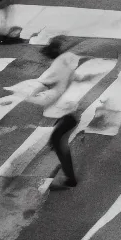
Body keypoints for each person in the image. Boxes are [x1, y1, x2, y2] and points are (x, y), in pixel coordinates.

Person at [24, 36, 83, 189]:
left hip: (65, 114)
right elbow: (76, 76)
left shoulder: (54, 69)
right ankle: (68, 174)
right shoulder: (64, 63)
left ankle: (70, 179)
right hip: (68, 110)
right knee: (58, 142)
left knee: (60, 145)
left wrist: (26, 95)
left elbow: (42, 85)